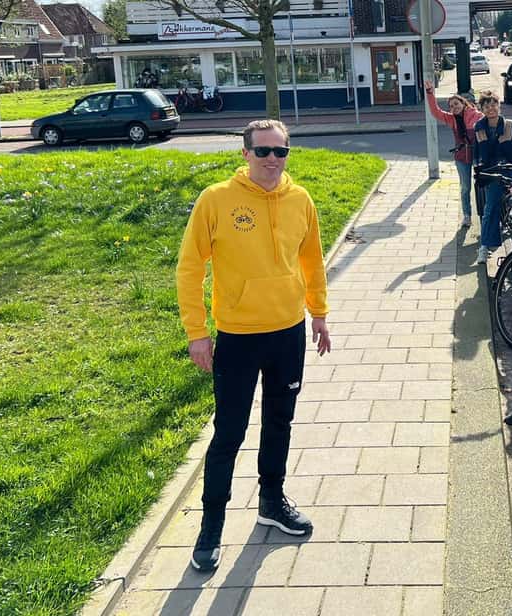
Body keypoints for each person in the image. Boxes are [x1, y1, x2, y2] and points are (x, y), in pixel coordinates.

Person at [175, 119, 333, 573]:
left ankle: (271, 500)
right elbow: (190, 268)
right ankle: (211, 525)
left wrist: (318, 313)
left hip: (288, 332)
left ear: (288, 154)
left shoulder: (300, 199)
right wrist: (197, 332)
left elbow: (312, 258)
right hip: (238, 337)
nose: (271, 159)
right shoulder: (217, 200)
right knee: (229, 432)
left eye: (279, 152)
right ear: (244, 154)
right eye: (262, 151)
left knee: (279, 421)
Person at [473, 90, 512, 266]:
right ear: (482, 109)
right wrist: (479, 165)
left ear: (499, 105)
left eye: (493, 104)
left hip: (511, 169)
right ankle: (485, 246)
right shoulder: (479, 128)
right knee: (491, 207)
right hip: (493, 171)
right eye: (486, 106)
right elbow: (479, 155)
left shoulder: (510, 125)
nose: (491, 109)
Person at [424, 80, 484, 228]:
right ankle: (467, 216)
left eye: (456, 104)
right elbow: (435, 111)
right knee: (465, 187)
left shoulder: (476, 115)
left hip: (478, 156)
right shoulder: (451, 119)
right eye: (451, 106)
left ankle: (484, 216)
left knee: (482, 186)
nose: (454, 108)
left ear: (463, 103)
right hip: (461, 157)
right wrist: (430, 93)